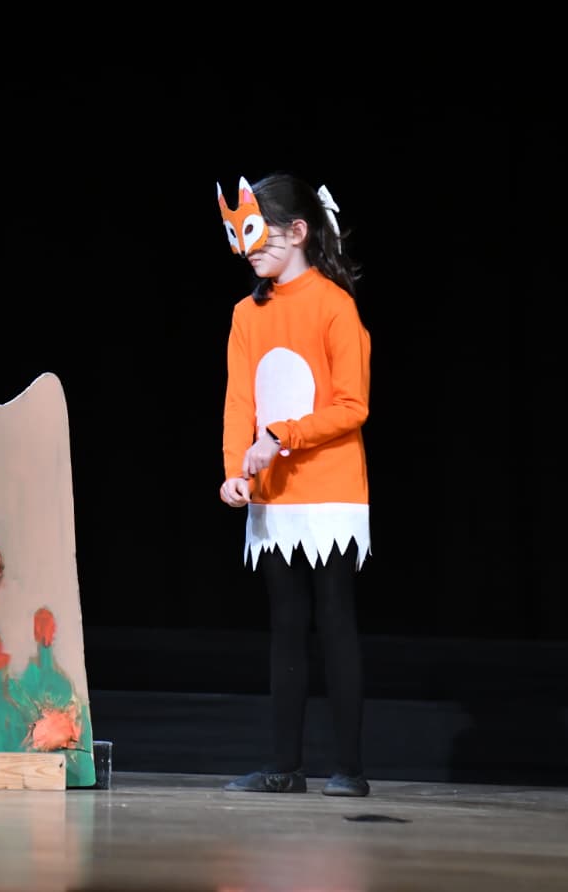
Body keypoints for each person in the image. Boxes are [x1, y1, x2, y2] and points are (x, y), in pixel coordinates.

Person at [214, 172, 372, 798]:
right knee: (285, 626)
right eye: (241, 240)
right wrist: (235, 469)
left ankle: (349, 768)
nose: (248, 251)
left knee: (334, 621)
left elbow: (351, 406)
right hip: (274, 492)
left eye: (258, 236)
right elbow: (239, 400)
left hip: (330, 491)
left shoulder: (334, 306)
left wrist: (281, 436)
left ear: (298, 231)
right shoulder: (246, 315)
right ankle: (285, 765)